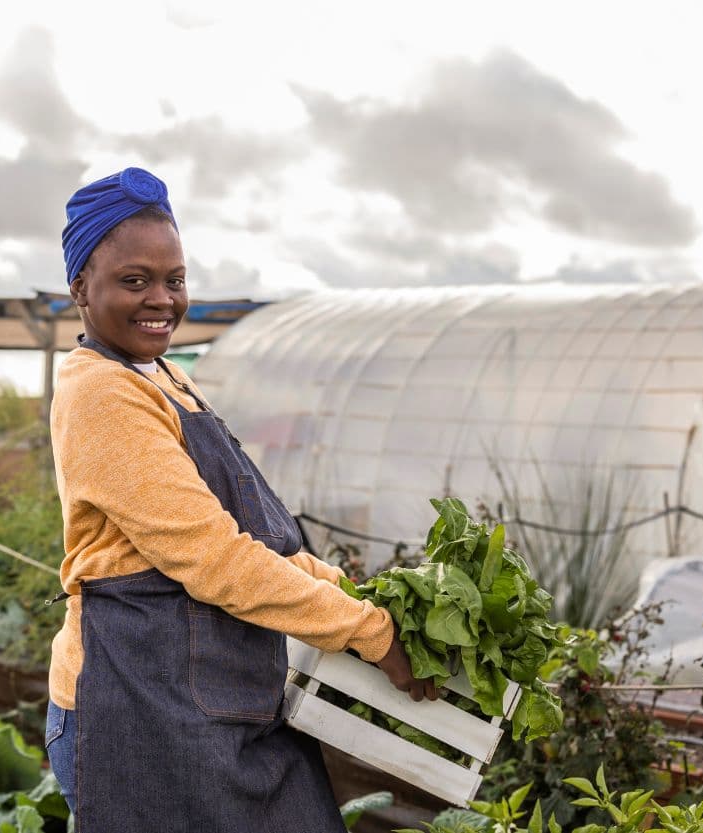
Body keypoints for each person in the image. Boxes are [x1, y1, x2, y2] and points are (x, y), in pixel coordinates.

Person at [44, 166, 435, 831]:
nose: (161, 299)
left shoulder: (162, 377)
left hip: (204, 696)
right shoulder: (101, 393)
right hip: (137, 709)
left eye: (175, 279)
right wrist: (370, 631)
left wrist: (355, 596)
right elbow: (214, 557)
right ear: (81, 287)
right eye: (133, 280)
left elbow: (255, 539)